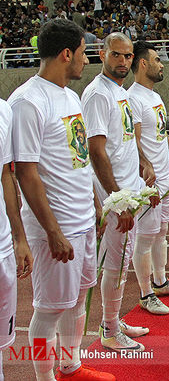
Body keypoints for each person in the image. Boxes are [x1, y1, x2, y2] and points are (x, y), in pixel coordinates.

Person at [9, 19, 113, 379]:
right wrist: (52, 230)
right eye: (85, 53)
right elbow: (26, 172)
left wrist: (96, 203)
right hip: (56, 226)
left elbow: (78, 158)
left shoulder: (70, 96)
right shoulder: (28, 101)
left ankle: (71, 364)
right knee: (50, 308)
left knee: (79, 297)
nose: (87, 61)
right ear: (67, 54)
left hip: (82, 218)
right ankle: (44, 376)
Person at [82, 32, 157, 353]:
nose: (123, 61)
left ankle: (111, 319)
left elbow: (126, 140)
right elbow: (96, 152)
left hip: (131, 190)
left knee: (122, 260)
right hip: (115, 196)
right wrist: (116, 201)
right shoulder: (98, 94)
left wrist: (143, 174)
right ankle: (110, 330)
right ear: (102, 54)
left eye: (127, 56)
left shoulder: (119, 92)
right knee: (114, 262)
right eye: (117, 55)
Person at [128, 41, 169, 316]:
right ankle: (145, 294)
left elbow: (163, 135)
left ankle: (161, 281)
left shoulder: (155, 96)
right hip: (148, 179)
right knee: (145, 236)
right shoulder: (134, 97)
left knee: (163, 230)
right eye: (156, 59)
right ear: (143, 63)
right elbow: (134, 140)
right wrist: (146, 172)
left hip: (164, 175)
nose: (161, 64)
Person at [0, 94, 32, 381]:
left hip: (1, 248)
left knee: (1, 344)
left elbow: (6, 175)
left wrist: (19, 238)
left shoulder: (3, 110)